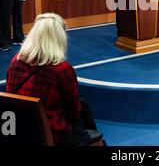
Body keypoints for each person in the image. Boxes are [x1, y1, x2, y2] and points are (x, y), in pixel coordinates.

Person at [6, 13, 102, 146]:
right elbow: (73, 113)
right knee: (81, 111)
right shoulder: (61, 69)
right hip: (51, 134)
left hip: (20, 127)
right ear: (59, 38)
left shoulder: (15, 61)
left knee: (82, 104)